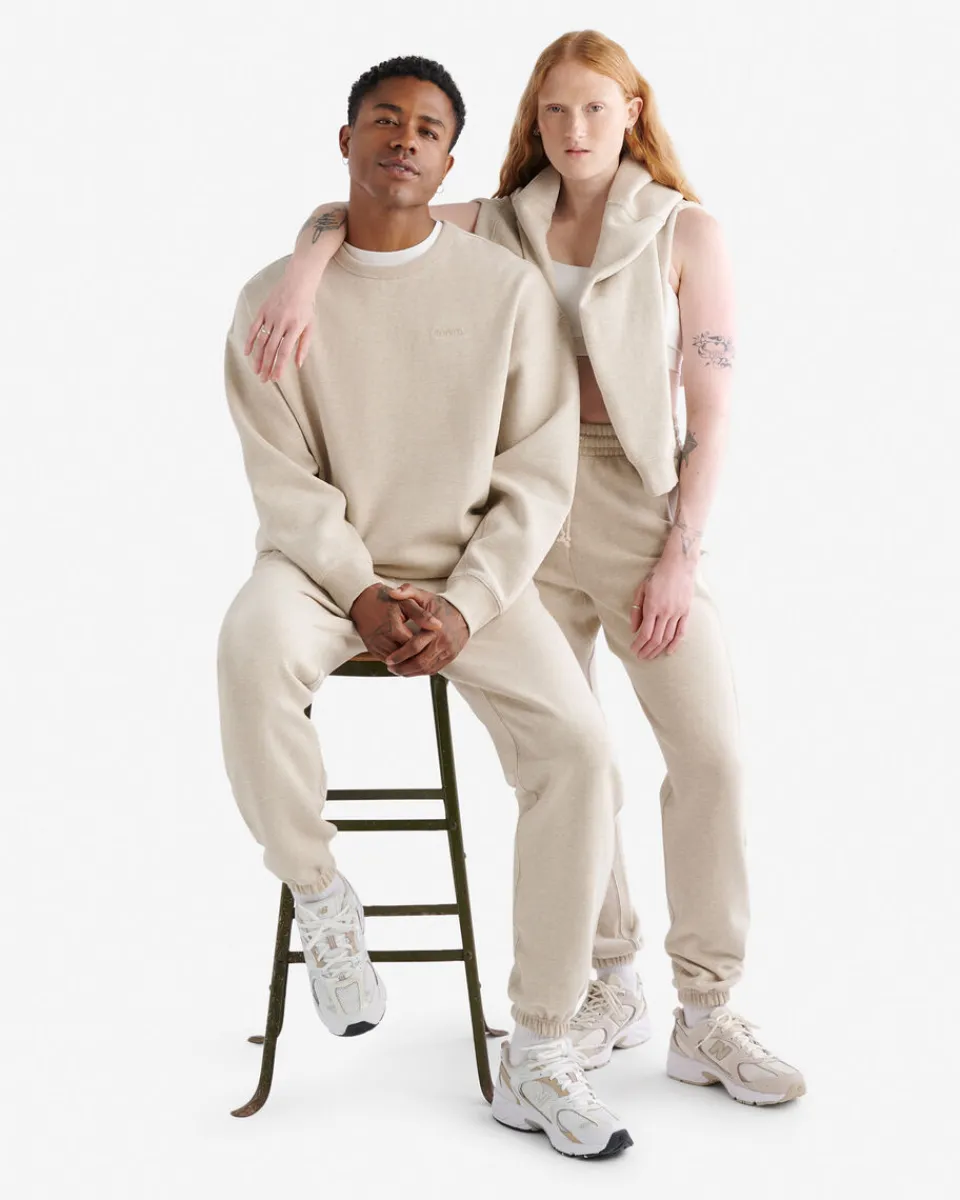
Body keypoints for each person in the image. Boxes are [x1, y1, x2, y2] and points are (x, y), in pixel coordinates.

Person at [243, 30, 806, 1107]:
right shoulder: (503, 219)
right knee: (567, 754)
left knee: (711, 755)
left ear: (633, 111)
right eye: (554, 110)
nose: (573, 128)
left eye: (595, 107)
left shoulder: (683, 229)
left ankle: (708, 1009)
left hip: (638, 503)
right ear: (532, 121)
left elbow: (714, 412)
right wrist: (303, 277)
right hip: (515, 509)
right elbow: (367, 206)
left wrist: (680, 554)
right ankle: (606, 982)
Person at [218, 54, 637, 1158]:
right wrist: (359, 591)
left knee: (579, 747)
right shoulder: (271, 300)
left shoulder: (505, 292)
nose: (404, 138)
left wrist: (465, 604)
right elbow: (282, 478)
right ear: (346, 140)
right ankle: (322, 896)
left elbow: (537, 474)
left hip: (469, 579)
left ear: (451, 162)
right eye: (384, 119)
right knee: (249, 650)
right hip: (322, 575)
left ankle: (539, 1045)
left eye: (428, 128)